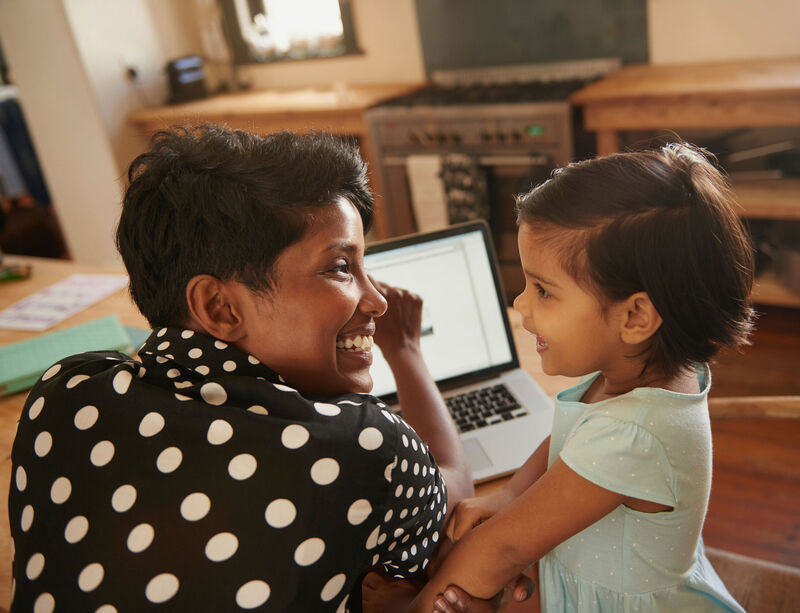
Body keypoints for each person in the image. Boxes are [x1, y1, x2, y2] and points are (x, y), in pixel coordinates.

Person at [7, 124, 513, 612]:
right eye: (340, 267)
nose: (377, 300)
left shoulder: (65, 391)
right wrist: (405, 352)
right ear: (220, 307)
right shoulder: (364, 447)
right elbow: (454, 494)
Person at [412, 143, 755, 612]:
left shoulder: (631, 433)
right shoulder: (636, 368)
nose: (521, 305)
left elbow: (502, 549)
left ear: (635, 316)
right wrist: (512, 494)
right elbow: (570, 435)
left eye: (544, 291)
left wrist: (409, 609)